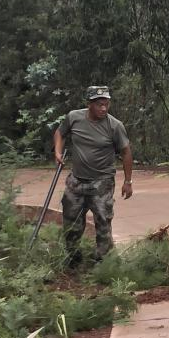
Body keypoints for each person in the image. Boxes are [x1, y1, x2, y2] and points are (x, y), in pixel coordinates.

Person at [53, 86, 133, 268]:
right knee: (71, 223)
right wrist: (57, 151)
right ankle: (73, 260)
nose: (104, 108)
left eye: (106, 104)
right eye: (99, 105)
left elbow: (126, 152)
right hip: (76, 181)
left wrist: (128, 181)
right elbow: (60, 133)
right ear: (89, 104)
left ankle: (103, 264)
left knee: (103, 223)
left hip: (102, 183)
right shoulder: (74, 117)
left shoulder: (115, 126)